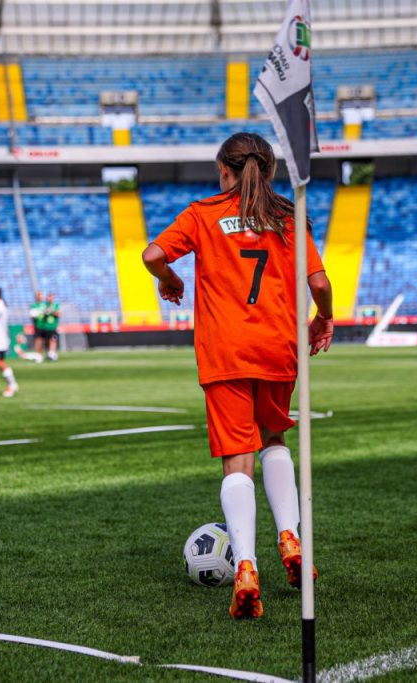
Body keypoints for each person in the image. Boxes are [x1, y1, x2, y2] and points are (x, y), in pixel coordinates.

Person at [141, 132, 334, 619]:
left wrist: (170, 278)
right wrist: (323, 317)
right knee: (274, 440)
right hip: (277, 348)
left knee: (236, 460)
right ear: (267, 171)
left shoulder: (203, 213)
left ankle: (246, 565)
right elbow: (320, 283)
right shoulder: (288, 216)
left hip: (225, 352)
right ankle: (290, 538)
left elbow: (152, 255)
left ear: (224, 170)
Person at [41, 292, 61, 361]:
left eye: (51, 297)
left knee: (53, 340)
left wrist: (51, 311)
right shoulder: (44, 305)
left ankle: (52, 353)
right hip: (45, 327)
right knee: (46, 341)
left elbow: (59, 314)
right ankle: (48, 353)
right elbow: (42, 314)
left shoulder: (56, 305)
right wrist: (46, 312)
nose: (50, 299)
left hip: (53, 327)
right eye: (49, 297)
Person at [29, 290, 46, 356]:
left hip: (45, 326)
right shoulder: (34, 305)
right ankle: (39, 354)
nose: (40, 297)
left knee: (46, 340)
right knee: (38, 340)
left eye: (41, 296)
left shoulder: (45, 305)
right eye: (39, 296)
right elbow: (32, 316)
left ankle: (49, 353)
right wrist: (33, 316)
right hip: (38, 325)